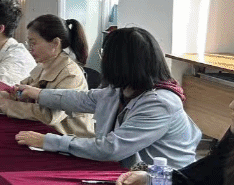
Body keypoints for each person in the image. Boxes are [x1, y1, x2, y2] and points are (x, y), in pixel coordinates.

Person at [14, 26, 201, 168]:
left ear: (119, 62)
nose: (102, 60)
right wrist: (38, 94)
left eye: (104, 55)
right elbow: (82, 99)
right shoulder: (122, 90)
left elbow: (111, 149)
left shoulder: (159, 103)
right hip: (131, 174)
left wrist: (48, 141)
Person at [0, 14, 94, 137]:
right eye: (28, 43)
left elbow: (49, 116)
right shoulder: (42, 66)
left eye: (33, 43)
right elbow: (19, 92)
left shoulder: (70, 75)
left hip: (69, 140)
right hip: (42, 134)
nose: (29, 49)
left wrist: (4, 105)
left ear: (55, 43)